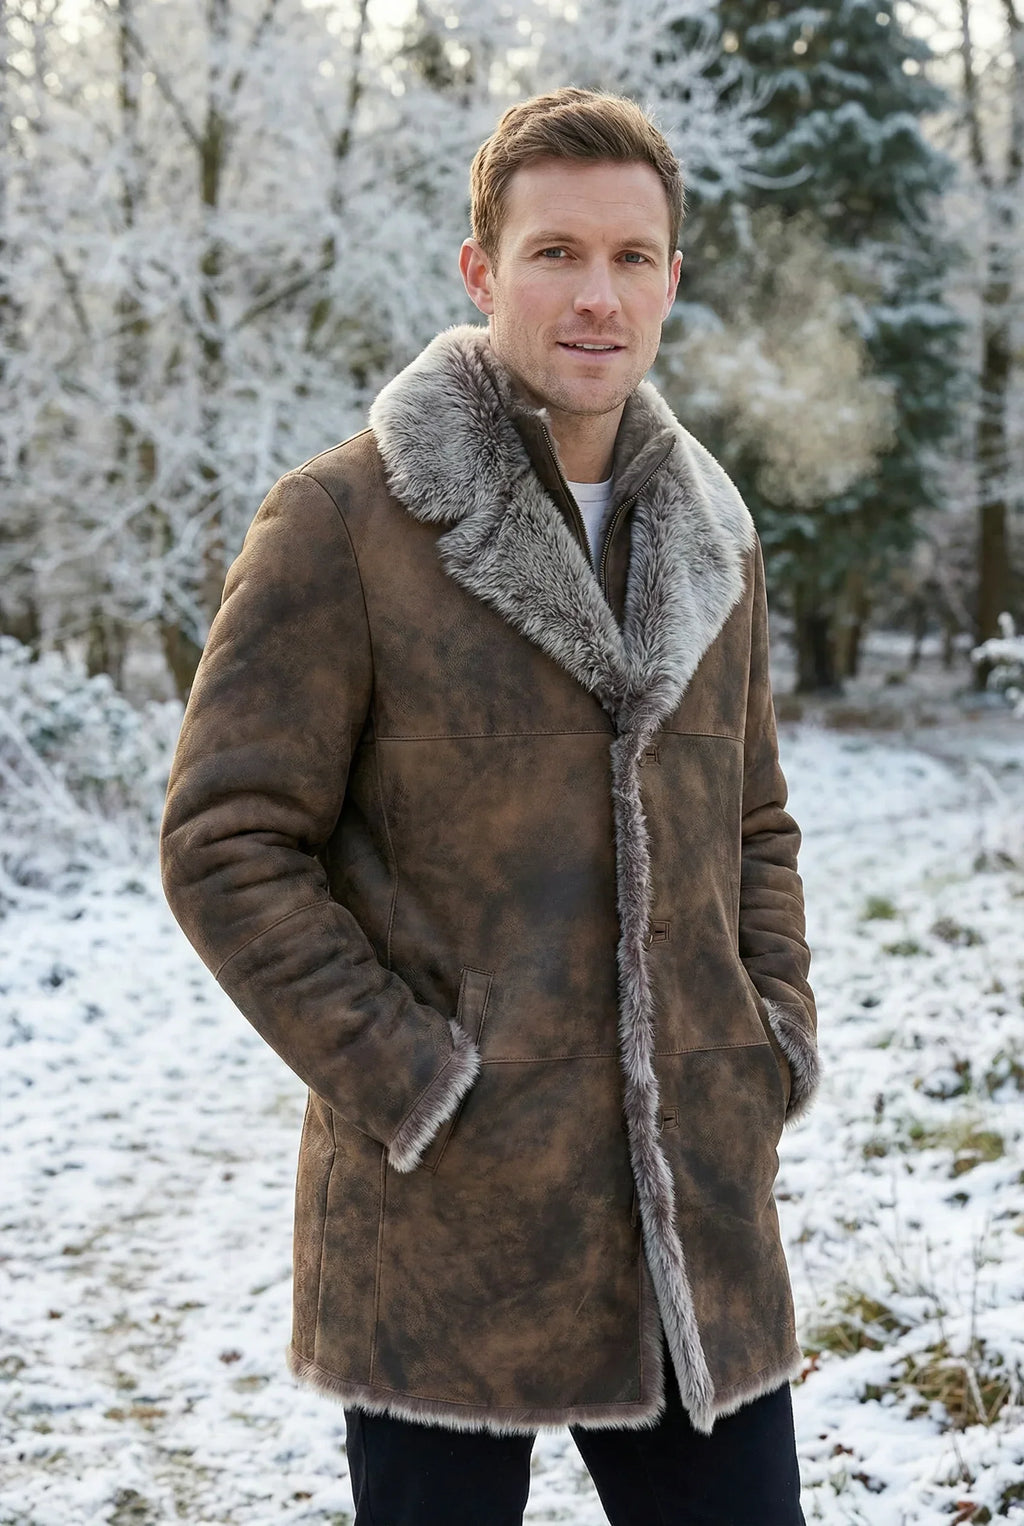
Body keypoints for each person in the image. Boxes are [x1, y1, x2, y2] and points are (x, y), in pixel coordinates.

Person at [160, 86, 819, 1526]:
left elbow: (754, 825)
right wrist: (416, 1081)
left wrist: (767, 1044)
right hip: (445, 1233)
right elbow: (225, 840)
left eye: (632, 257)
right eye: (556, 253)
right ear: (480, 270)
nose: (598, 295)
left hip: (691, 1223)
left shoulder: (714, 535)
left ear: (673, 280)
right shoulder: (344, 520)